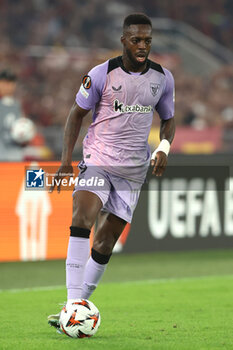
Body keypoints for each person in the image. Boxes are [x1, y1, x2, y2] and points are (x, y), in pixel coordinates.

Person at [48, 13, 175, 332]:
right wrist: (66, 159)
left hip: (133, 171)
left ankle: (75, 306)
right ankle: (73, 306)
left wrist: (163, 147)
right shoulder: (101, 73)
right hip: (99, 160)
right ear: (123, 40)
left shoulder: (163, 78)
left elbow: (168, 119)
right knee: (82, 218)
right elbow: (76, 115)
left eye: (147, 40)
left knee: (104, 244)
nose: (142, 45)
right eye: (136, 40)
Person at [0, 69, 24, 160]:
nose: (7, 86)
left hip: (15, 154)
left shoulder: (17, 105)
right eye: (4, 83)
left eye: (10, 83)